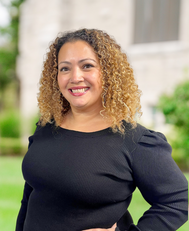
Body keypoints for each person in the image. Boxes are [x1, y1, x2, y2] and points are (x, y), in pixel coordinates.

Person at [15, 28, 188, 231]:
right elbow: (31, 196)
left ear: (108, 72)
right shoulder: (46, 128)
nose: (75, 77)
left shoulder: (134, 141)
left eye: (87, 66)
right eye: (64, 68)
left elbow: (177, 201)